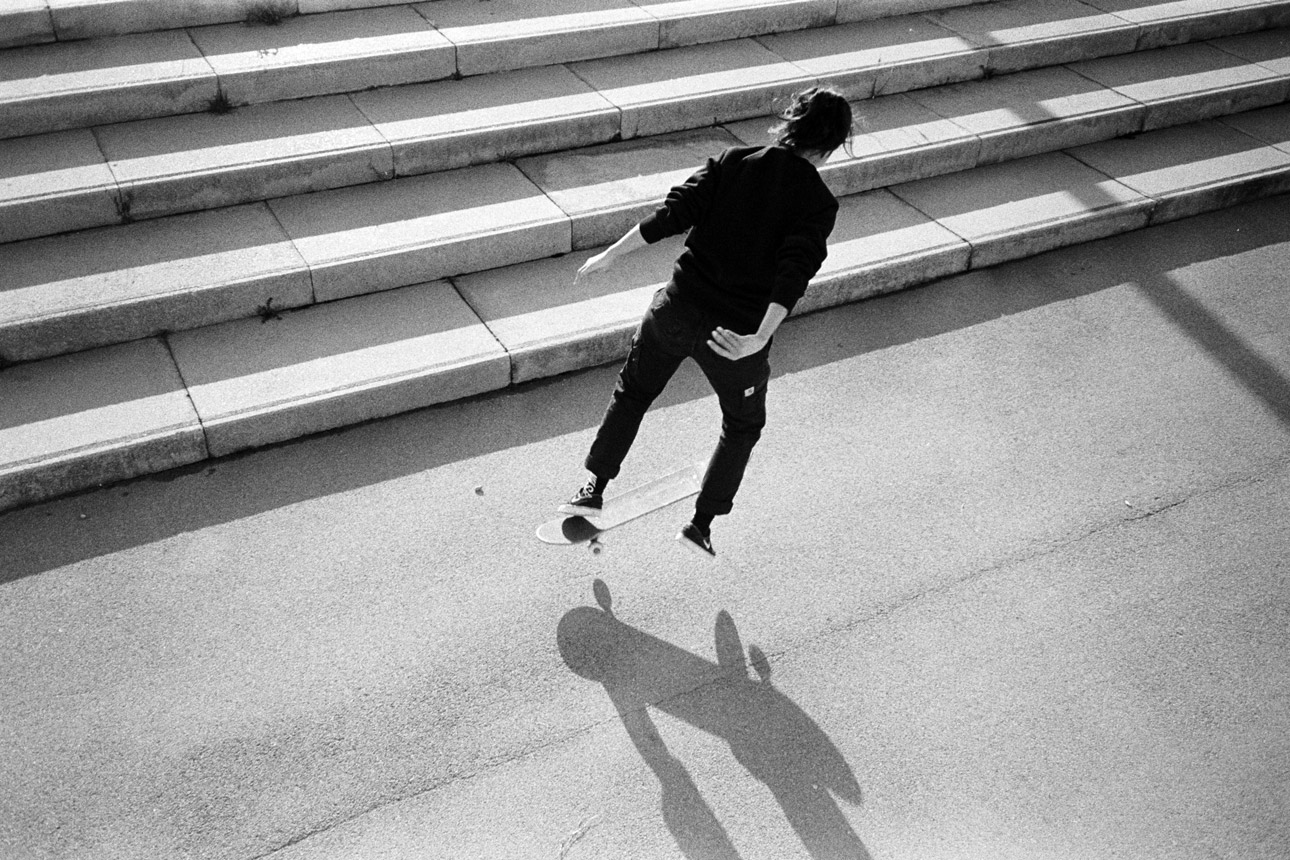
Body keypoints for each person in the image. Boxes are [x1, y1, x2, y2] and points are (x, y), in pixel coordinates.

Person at [559, 86, 853, 558]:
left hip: (676, 309)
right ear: (832, 145)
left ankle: (591, 488)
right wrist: (759, 337)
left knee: (633, 393)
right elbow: (793, 273)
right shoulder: (819, 203)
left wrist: (610, 256)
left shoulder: (734, 161)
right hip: (733, 335)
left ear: (791, 122)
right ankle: (700, 525)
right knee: (741, 426)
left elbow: (672, 213)